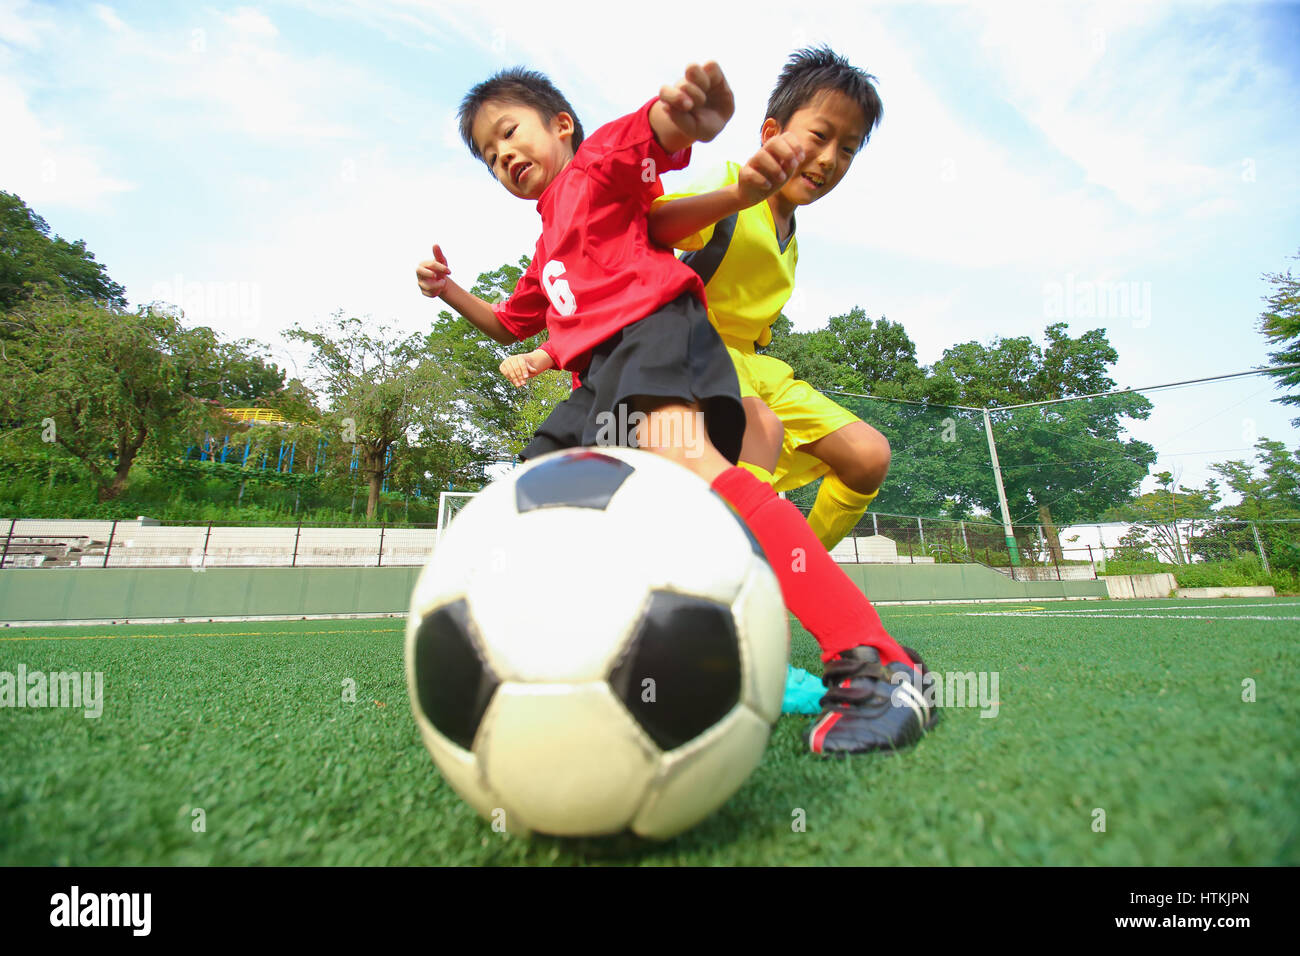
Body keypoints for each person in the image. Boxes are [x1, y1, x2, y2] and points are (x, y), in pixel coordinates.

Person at [415, 61, 935, 754]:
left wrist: (686, 118)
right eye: (488, 155)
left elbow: (649, 144)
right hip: (594, 383)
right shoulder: (546, 246)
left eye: (510, 133)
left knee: (697, 465)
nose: (503, 154)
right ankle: (571, 672)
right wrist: (448, 290)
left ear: (561, 126)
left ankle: (876, 662)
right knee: (529, 497)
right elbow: (513, 324)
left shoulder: (596, 165)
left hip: (654, 333)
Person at [648, 47, 890, 552]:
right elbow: (656, 225)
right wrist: (737, 196)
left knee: (868, 455)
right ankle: (734, 567)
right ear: (771, 134)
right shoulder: (734, 184)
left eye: (848, 149)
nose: (829, 159)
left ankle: (793, 567)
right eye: (820, 136)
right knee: (763, 429)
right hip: (693, 347)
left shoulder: (792, 240)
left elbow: (756, 329)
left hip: (755, 366)